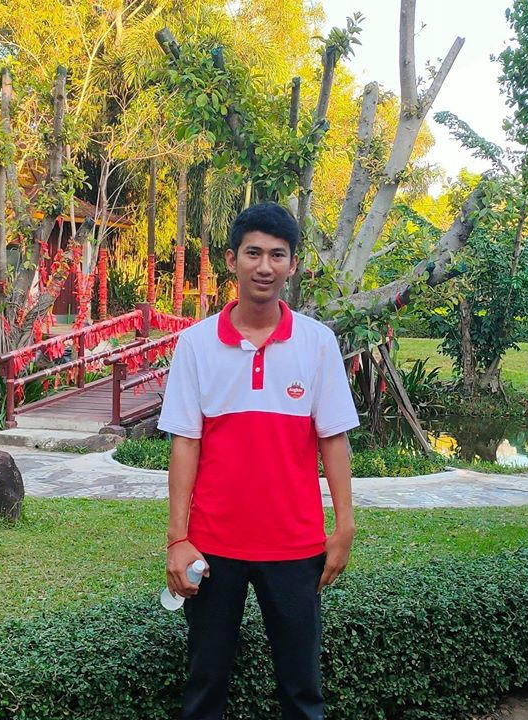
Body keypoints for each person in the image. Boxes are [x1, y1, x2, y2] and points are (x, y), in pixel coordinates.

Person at [158, 202, 359, 720]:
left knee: (302, 690)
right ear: (232, 260)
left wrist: (344, 528)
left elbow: (333, 439)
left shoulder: (317, 343)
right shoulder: (196, 344)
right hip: (213, 546)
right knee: (205, 686)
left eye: (277, 254)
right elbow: (185, 443)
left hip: (295, 545)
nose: (264, 266)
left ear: (292, 264)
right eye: (253, 253)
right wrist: (178, 539)